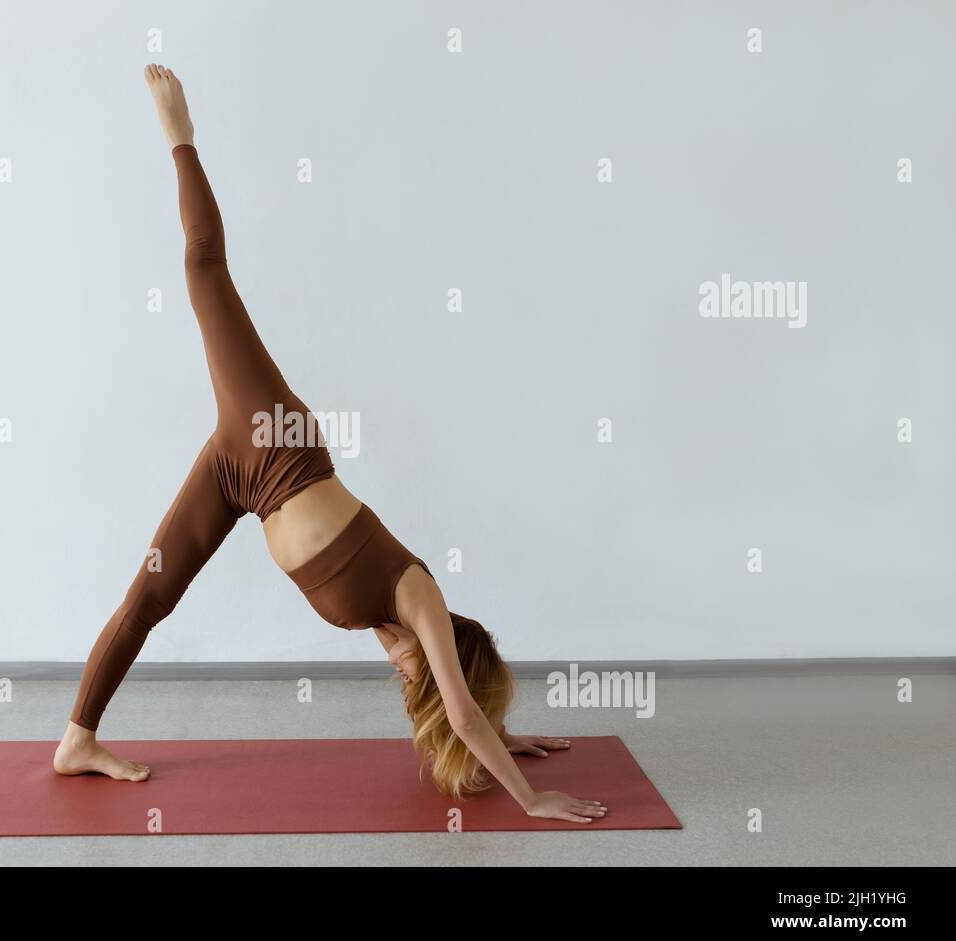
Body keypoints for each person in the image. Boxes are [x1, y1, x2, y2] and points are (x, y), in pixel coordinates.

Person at [53, 64, 607, 823]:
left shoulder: (396, 634)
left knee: (150, 597)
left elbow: (463, 712)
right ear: (451, 656)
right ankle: (179, 134)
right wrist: (531, 796)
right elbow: (463, 713)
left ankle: (76, 741)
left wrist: (509, 739)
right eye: (433, 675)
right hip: (272, 441)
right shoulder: (421, 601)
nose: (408, 674)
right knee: (205, 268)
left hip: (235, 474)